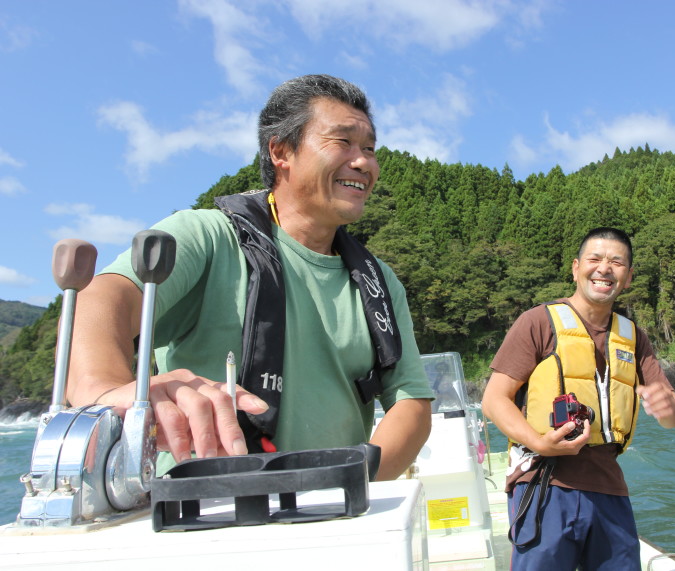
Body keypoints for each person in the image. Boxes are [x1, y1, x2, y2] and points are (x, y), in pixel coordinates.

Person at [66, 74, 434, 481]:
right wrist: (106, 390)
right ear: (281, 151)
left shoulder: (378, 281)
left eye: (369, 149)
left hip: (337, 518)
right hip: (206, 518)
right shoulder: (207, 236)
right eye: (342, 142)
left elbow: (411, 402)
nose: (364, 162)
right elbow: (102, 300)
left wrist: (351, 485)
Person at [482, 227, 675, 570]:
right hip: (544, 483)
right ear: (576, 268)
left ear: (629, 276)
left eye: (616, 262)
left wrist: (669, 408)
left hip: (609, 488)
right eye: (595, 259)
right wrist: (540, 442)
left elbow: (674, 415)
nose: (604, 268)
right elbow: (494, 399)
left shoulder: (635, 338)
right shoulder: (537, 322)